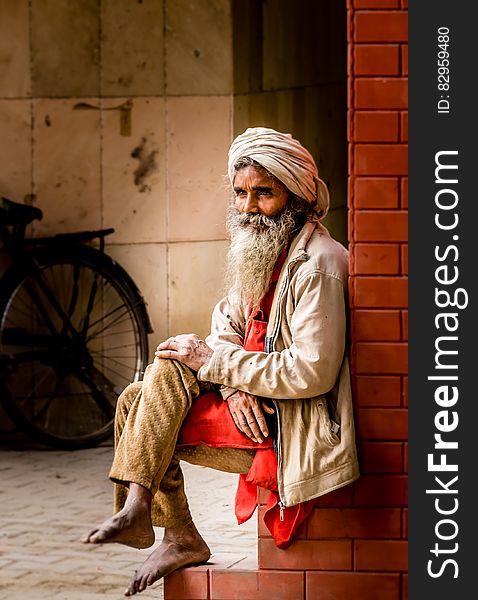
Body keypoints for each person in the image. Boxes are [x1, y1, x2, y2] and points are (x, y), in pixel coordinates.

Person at [81, 127, 360, 596]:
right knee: (151, 386)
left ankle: (153, 514)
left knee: (149, 391)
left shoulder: (320, 264)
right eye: (240, 193)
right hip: (252, 406)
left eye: (263, 193)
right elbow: (225, 330)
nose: (248, 207)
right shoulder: (262, 251)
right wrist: (232, 384)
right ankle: (161, 520)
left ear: (297, 196)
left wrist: (215, 365)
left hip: (291, 424)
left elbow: (311, 371)